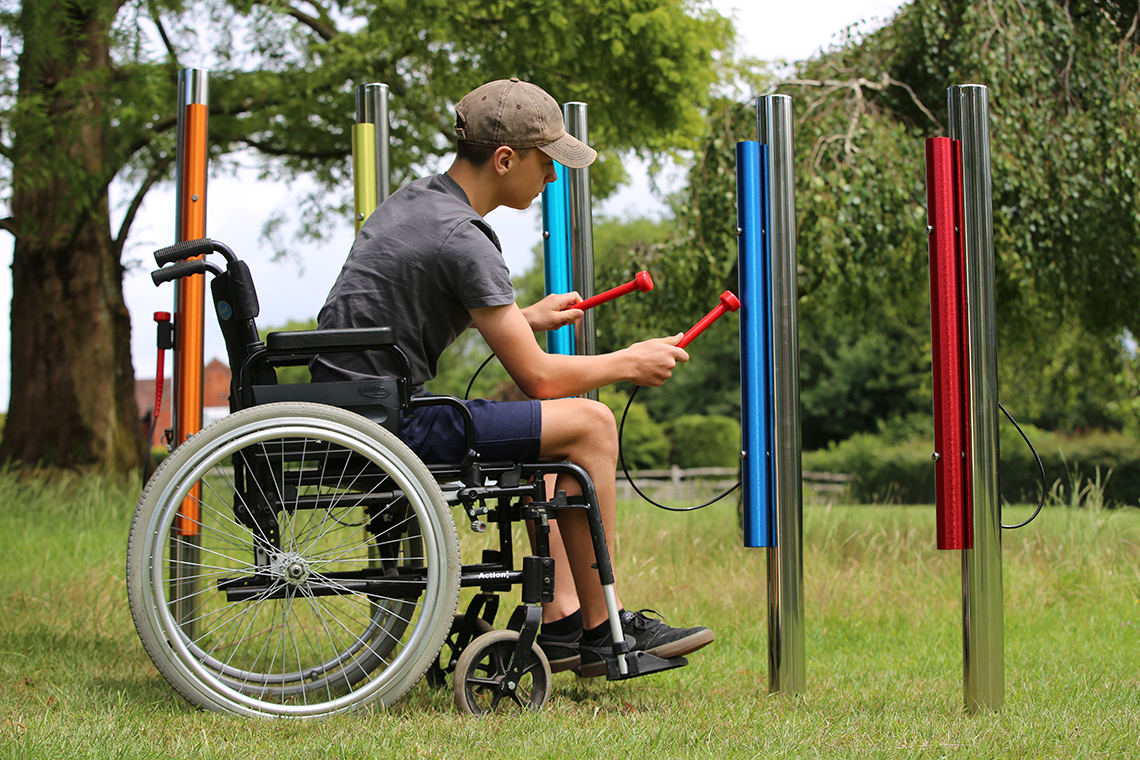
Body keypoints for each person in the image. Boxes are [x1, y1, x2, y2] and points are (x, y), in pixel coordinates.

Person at [311, 78, 714, 677]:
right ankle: (606, 628)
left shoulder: (418, 201)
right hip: (385, 424)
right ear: (505, 159)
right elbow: (541, 379)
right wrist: (630, 362)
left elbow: (406, 312)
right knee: (591, 422)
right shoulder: (463, 237)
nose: (553, 177)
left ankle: (559, 622)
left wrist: (520, 318)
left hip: (359, 404)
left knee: (556, 435)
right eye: (546, 162)